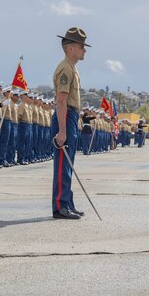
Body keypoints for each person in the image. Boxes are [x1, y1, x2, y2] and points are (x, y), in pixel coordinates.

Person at [51, 26, 89, 220]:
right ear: (71, 47)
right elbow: (61, 100)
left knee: (68, 164)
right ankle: (60, 206)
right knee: (62, 164)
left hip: (71, 116)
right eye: (82, 46)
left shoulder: (72, 68)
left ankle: (67, 202)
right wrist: (63, 130)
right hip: (65, 116)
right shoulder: (65, 68)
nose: (85, 50)